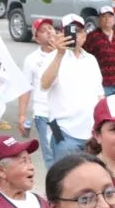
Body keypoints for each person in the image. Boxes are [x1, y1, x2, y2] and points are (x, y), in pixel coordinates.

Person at [38, 14, 102, 163]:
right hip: (64, 133)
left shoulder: (91, 60)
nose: (75, 35)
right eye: (69, 31)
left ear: (85, 35)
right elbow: (45, 84)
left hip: (91, 134)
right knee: (66, 181)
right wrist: (59, 54)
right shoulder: (52, 57)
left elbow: (99, 94)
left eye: (78, 31)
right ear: (60, 35)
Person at [17, 17, 60, 170]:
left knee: (65, 151)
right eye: (43, 31)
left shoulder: (65, 54)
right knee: (50, 152)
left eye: (50, 28)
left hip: (63, 112)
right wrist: (22, 116)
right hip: (45, 114)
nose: (48, 32)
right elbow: (25, 88)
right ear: (36, 38)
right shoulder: (32, 60)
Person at [84, 4, 115, 96]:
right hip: (101, 85)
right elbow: (84, 58)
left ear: (114, 19)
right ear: (99, 20)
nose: (107, 19)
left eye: (109, 16)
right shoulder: (92, 37)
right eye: (103, 17)